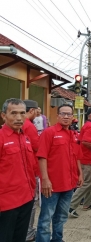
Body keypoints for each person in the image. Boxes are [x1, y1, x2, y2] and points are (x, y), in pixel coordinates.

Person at [36, 104, 83, 242]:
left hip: (69, 184)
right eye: (63, 114)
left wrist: (80, 174)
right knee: (46, 218)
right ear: (57, 116)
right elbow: (41, 156)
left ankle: (57, 239)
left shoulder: (74, 135)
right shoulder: (49, 133)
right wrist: (45, 179)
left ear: (73, 117)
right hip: (52, 185)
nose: (66, 116)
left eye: (69, 114)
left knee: (61, 217)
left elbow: (77, 157)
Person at [0, 98, 36, 242]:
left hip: (26, 198)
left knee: (20, 238)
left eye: (22, 113)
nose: (19, 117)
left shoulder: (25, 137)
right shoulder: (1, 138)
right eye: (13, 113)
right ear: (3, 115)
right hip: (7, 203)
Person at [69, 107, 91, 218]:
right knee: (86, 183)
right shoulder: (90, 126)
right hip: (87, 159)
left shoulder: (89, 125)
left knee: (90, 182)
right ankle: (71, 206)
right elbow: (85, 142)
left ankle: (88, 203)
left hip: (86, 158)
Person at [22, 100, 40, 242]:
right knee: (31, 202)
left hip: (24, 170)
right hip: (30, 170)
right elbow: (37, 147)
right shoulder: (29, 125)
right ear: (32, 110)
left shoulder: (22, 125)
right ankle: (28, 233)